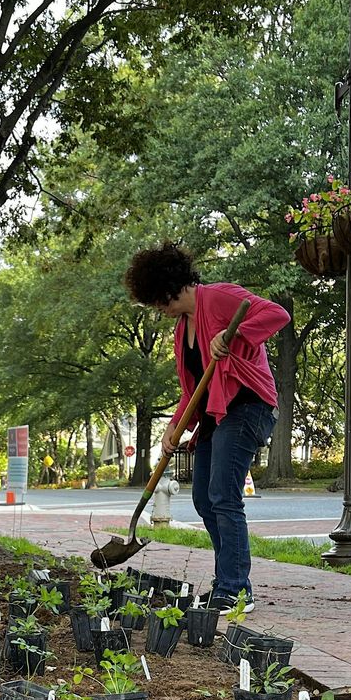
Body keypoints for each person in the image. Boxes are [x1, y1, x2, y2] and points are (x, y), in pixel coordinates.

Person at [123, 242, 289, 610]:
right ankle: (226, 582)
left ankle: (235, 589)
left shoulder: (220, 297)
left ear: (167, 288)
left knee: (223, 496)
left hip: (248, 405)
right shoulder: (182, 330)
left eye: (155, 300)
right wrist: (174, 428)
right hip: (216, 412)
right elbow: (194, 389)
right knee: (202, 499)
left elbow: (277, 315)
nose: (157, 309)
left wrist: (233, 335)